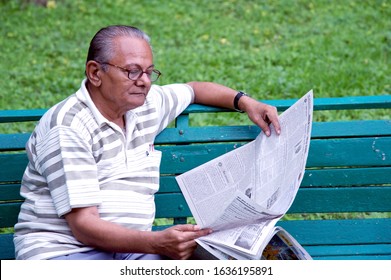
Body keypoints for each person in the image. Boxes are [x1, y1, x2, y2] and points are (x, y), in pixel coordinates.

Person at [13, 25, 281, 260]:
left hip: (131, 253)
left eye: (149, 72)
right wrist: (157, 243)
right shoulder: (69, 126)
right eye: (132, 72)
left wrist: (246, 102)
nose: (143, 82)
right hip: (64, 253)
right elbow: (84, 226)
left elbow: (194, 89)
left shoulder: (144, 105)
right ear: (95, 73)